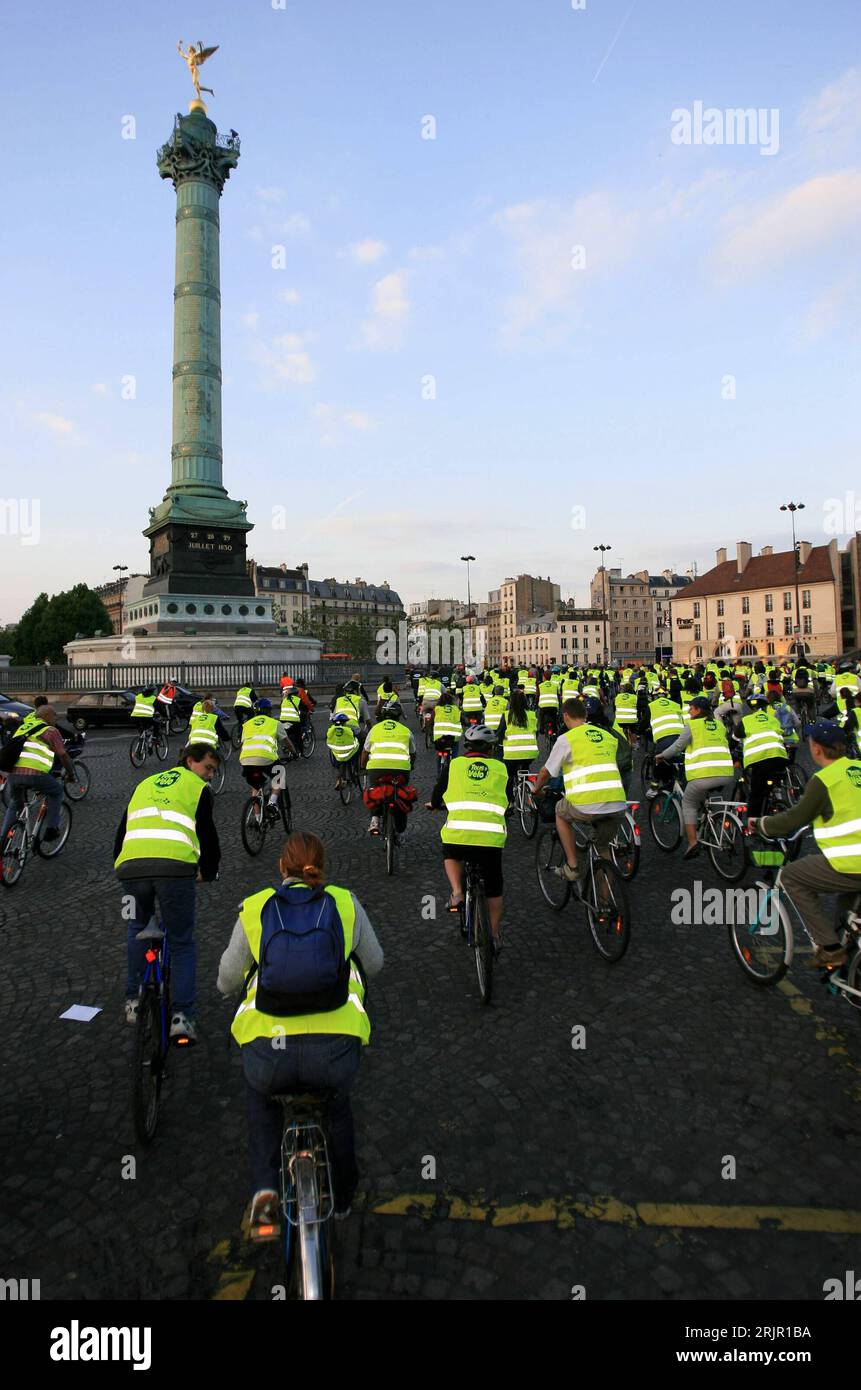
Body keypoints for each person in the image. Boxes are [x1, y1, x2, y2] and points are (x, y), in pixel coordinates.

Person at [217, 830, 383, 1236]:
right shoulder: (344, 903)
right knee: (336, 1105)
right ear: (321, 867)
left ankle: (264, 1187)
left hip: (269, 1055)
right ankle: (343, 1196)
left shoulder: (255, 907)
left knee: (263, 1101)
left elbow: (225, 980)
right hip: (335, 1050)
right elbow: (375, 963)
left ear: (280, 867)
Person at [114, 742, 221, 1041]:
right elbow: (207, 834)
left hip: (131, 867)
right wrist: (209, 870)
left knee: (136, 926)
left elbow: (122, 830)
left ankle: (133, 1001)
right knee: (182, 941)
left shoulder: (144, 783)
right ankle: (182, 1016)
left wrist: (120, 866)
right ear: (189, 761)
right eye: (208, 768)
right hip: (175, 869)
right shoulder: (197, 788)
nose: (210, 776)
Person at [750, 720, 861, 969]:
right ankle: (850, 960)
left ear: (817, 750)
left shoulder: (824, 781)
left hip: (851, 863)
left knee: (791, 876)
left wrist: (762, 824)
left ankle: (831, 950)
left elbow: (794, 818)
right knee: (846, 918)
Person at [426, 723, 507, 950]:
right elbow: (508, 797)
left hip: (458, 836)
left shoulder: (454, 765)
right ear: (490, 749)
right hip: (490, 839)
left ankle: (458, 893)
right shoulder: (500, 768)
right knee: (494, 887)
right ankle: (494, 934)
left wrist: (433, 805)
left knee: (450, 853)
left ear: (466, 747)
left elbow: (438, 791)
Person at [531, 698, 626, 889]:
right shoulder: (606, 735)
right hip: (617, 802)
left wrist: (536, 789)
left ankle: (573, 866)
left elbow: (546, 772)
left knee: (560, 813)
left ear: (566, 716)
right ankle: (605, 904)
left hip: (587, 804)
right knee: (603, 848)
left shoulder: (567, 738)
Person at [654, 696, 736, 857]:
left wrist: (661, 756)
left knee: (688, 803)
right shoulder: (719, 724)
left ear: (698, 710)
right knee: (702, 798)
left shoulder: (692, 725)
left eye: (691, 708)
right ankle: (709, 822)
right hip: (726, 772)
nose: (688, 710)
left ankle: (692, 843)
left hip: (703, 774)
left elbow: (678, 746)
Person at [0, 705, 76, 845]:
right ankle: (52, 829)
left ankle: (2, 840)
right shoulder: (51, 731)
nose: (56, 719)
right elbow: (63, 755)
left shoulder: (23, 727)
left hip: (13, 775)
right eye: (54, 715)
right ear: (46, 716)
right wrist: (71, 774)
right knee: (57, 791)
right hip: (35, 775)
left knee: (14, 805)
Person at [360, 698, 416, 835]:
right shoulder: (406, 731)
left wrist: (363, 767)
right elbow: (413, 753)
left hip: (376, 770)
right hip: (401, 770)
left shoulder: (374, 729)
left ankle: (374, 819)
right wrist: (411, 765)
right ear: (398, 715)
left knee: (374, 791)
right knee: (400, 793)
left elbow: (365, 752)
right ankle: (400, 825)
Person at [738, 694, 787, 816]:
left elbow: (735, 738)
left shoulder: (746, 720)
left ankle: (753, 825)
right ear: (766, 707)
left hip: (759, 760)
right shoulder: (773, 719)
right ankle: (779, 802)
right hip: (780, 757)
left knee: (756, 794)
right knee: (775, 781)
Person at [239, 699, 292, 813]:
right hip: (266, 758)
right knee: (280, 774)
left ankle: (258, 819)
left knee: (255, 786)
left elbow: (244, 742)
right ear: (269, 711)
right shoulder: (275, 723)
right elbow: (286, 741)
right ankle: (272, 803)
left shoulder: (247, 724)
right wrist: (294, 752)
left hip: (246, 759)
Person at [501, 688, 539, 805]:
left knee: (508, 777)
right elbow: (536, 733)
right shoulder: (532, 714)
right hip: (530, 752)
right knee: (524, 770)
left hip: (511, 754)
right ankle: (529, 794)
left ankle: (510, 802)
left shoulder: (507, 715)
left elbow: (500, 734)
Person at [326, 712, 361, 788]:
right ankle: (355, 772)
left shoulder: (331, 730)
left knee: (340, 762)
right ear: (345, 722)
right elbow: (356, 735)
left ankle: (341, 779)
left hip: (337, 752)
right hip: (349, 752)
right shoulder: (349, 730)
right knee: (356, 751)